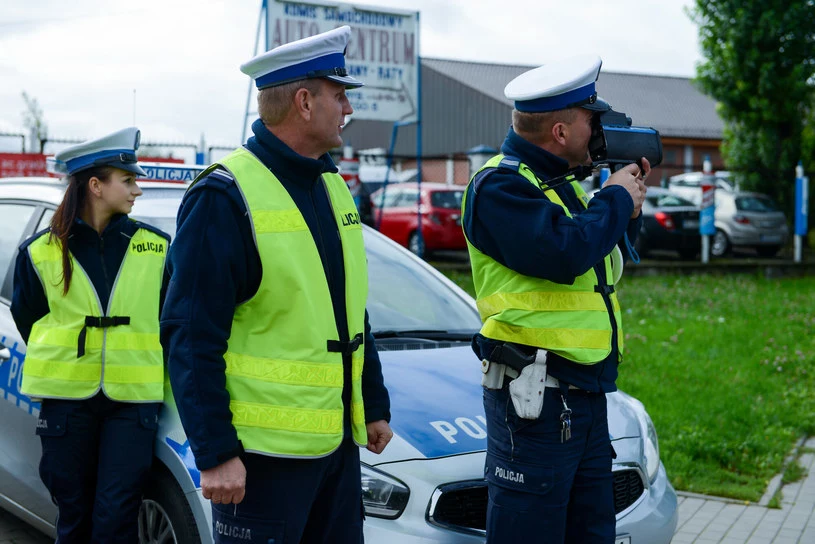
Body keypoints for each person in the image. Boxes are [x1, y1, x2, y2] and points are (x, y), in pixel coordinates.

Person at [161, 25, 392, 544]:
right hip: (261, 465)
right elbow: (190, 334)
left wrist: (372, 403)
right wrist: (216, 454)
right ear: (305, 102)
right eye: (339, 96)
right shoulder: (224, 195)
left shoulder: (331, 186)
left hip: (335, 448)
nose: (348, 110)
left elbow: (350, 310)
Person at [462, 55, 649, 543]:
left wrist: (625, 211)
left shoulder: (561, 188)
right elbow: (563, 253)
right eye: (593, 119)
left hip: (581, 397)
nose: (602, 129)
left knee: (590, 533)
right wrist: (613, 199)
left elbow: (601, 265)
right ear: (561, 132)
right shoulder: (499, 186)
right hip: (534, 401)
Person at [10, 127, 169, 543]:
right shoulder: (39, 252)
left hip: (131, 405)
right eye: (128, 180)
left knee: (116, 516)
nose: (137, 189)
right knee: (74, 513)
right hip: (67, 404)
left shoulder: (157, 248)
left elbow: (173, 321)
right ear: (96, 186)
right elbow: (30, 319)